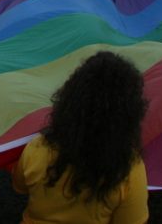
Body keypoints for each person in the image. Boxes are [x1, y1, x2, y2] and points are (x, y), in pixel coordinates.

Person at [12, 51, 148, 223]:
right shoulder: (128, 170)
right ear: (131, 114)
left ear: (68, 100)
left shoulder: (37, 148)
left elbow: (20, 187)